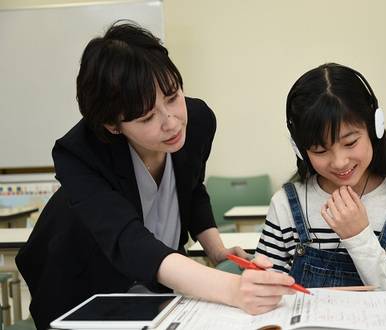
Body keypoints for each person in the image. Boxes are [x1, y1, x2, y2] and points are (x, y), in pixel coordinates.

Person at [16, 21, 294, 330]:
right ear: (112, 124)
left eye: (173, 97)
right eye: (148, 117)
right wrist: (233, 290)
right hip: (79, 284)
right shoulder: (80, 155)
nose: (172, 122)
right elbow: (128, 241)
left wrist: (216, 249)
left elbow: (191, 188)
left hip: (151, 288)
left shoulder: (198, 120)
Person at [256, 63, 386, 298]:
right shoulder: (285, 205)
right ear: (300, 150)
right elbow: (266, 295)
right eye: (320, 150)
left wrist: (359, 237)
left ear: (375, 127)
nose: (339, 162)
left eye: (350, 143)